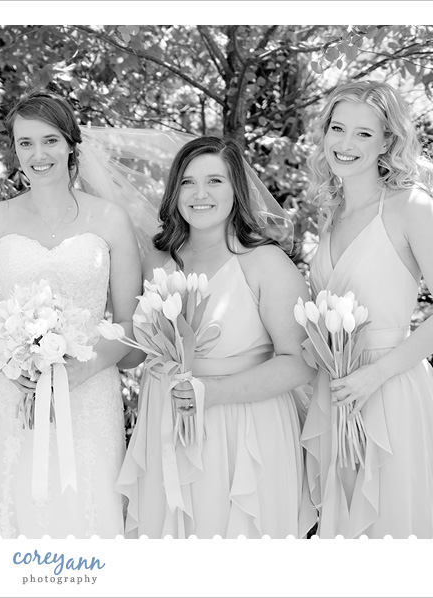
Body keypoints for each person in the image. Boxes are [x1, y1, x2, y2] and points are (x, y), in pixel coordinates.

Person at [301, 80, 433, 538]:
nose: (345, 143)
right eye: (337, 128)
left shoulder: (410, 206)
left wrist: (373, 377)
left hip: (390, 388)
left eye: (364, 133)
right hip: (337, 390)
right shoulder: (331, 212)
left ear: (388, 142)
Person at [0, 88, 141, 538]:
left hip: (90, 390)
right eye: (25, 143)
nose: (37, 154)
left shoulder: (110, 219)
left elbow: (130, 324)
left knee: (86, 511)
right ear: (14, 150)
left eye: (49, 140)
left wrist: (81, 369)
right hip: (9, 391)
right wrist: (14, 361)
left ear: (70, 145)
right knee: (10, 508)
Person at [116, 136, 316, 538]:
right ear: (174, 192)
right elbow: (132, 350)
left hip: (243, 429)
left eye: (215, 181)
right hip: (165, 418)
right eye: (188, 182)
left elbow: (300, 363)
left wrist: (211, 393)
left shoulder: (265, 261)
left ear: (236, 189)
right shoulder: (156, 260)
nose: (200, 193)